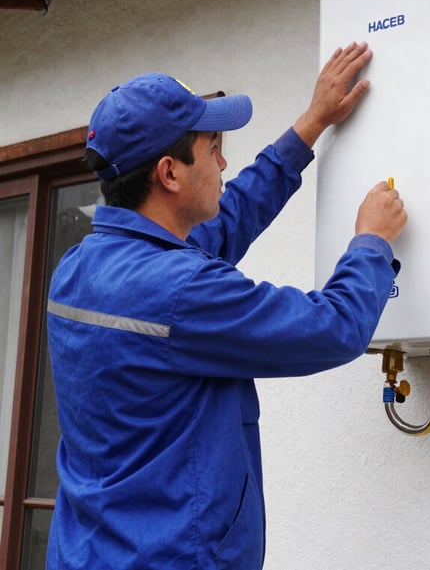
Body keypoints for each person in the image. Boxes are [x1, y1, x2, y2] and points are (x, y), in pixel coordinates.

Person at [45, 41, 407, 570]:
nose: (224, 162)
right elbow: (332, 329)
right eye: (214, 147)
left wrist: (309, 126)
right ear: (169, 173)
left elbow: (225, 219)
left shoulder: (77, 269)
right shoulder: (180, 290)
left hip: (89, 552)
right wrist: (371, 243)